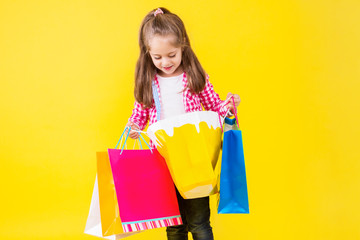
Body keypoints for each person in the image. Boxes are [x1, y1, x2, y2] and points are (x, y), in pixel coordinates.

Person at [125, 7, 240, 240]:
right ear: (148, 53)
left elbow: (214, 107)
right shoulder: (148, 82)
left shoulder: (194, 76)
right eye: (157, 57)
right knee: (174, 225)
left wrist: (228, 105)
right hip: (164, 161)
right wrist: (134, 128)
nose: (165, 62)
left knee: (199, 222)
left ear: (182, 47)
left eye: (172, 55)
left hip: (194, 158)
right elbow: (138, 116)